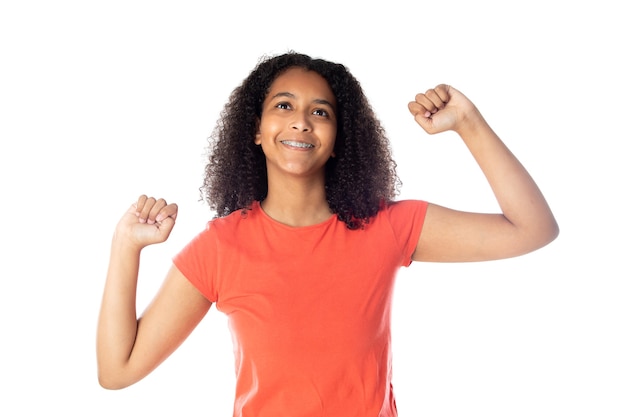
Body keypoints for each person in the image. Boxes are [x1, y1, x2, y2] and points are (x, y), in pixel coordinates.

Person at [96, 51, 558, 416]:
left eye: (321, 111)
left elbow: (533, 229)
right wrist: (126, 245)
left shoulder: (387, 227)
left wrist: (468, 123)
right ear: (256, 130)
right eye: (283, 106)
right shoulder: (221, 247)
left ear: (339, 139)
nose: (301, 120)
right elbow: (117, 371)